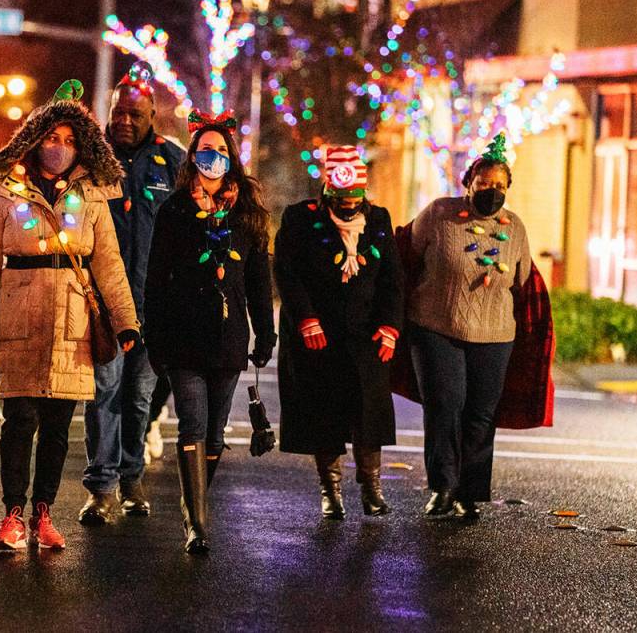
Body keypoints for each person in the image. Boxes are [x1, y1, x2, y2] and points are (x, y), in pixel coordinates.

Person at [0, 80, 139, 552]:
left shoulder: (91, 196)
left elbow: (108, 262)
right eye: (51, 138)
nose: (59, 148)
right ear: (34, 139)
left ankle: (45, 512)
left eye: (68, 140)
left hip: (74, 324)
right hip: (19, 318)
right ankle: (12, 515)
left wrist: (126, 321)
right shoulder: (5, 191)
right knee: (19, 420)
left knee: (59, 427)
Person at [143, 110, 275, 554]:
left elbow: (258, 281)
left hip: (229, 338)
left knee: (215, 435)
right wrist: (155, 339)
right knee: (192, 427)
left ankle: (193, 501)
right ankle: (197, 524)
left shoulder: (249, 214)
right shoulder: (175, 210)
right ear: (192, 156)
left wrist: (266, 334)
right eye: (205, 150)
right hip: (184, 337)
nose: (213, 158)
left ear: (231, 158)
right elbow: (156, 279)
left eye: (221, 151)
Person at [406, 133, 533, 521]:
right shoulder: (438, 214)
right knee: (445, 404)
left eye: (499, 186)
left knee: (480, 413)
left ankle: (468, 492)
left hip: (494, 334)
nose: (492, 192)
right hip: (435, 325)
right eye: (484, 184)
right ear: (468, 183)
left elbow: (523, 278)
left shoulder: (514, 228)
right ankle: (442, 487)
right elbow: (408, 255)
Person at [274, 145, 403, 519]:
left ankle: (371, 487)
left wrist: (390, 326)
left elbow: (393, 279)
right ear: (327, 191)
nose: (348, 206)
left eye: (354, 199)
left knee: (370, 409)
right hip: (319, 333)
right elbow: (287, 271)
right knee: (323, 411)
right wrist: (305, 318)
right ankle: (330, 490)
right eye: (340, 199)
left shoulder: (377, 220)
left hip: (365, 332)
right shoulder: (301, 219)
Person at [80, 63, 184, 524]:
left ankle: (132, 478)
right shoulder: (87, 155)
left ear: (152, 116)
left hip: (155, 306)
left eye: (134, 115)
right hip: (102, 303)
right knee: (103, 392)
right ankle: (100, 488)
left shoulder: (174, 161)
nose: (124, 121)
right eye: (118, 113)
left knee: (139, 399)